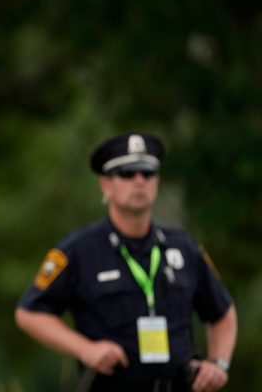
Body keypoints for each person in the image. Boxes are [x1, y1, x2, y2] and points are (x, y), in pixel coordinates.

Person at [15, 132, 237, 392]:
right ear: (106, 185)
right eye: (127, 173)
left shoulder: (183, 248)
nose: (139, 181)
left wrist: (219, 363)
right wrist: (86, 349)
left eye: (148, 173)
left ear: (157, 182)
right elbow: (30, 313)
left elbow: (223, 313)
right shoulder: (80, 251)